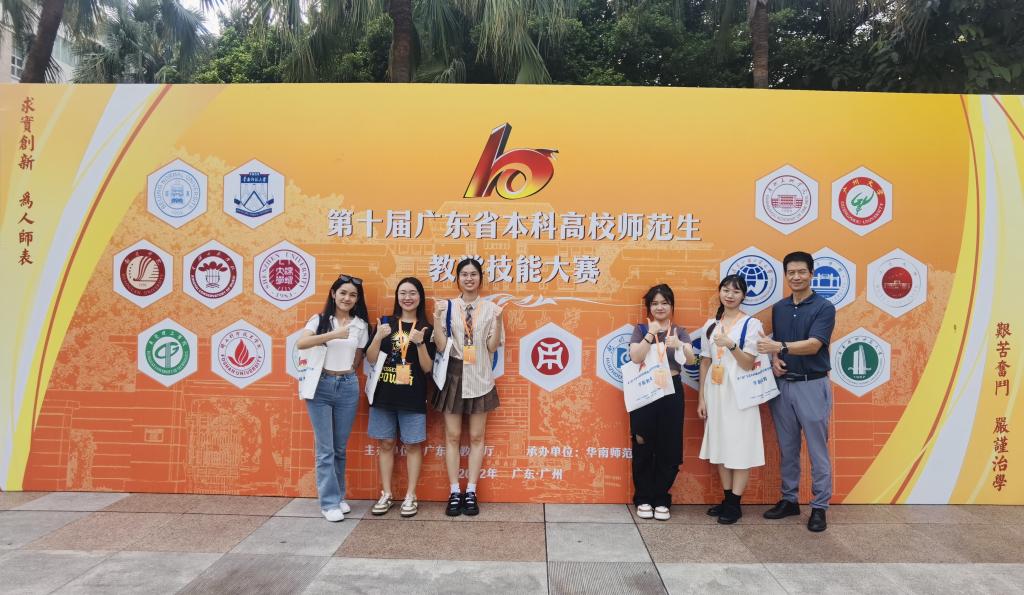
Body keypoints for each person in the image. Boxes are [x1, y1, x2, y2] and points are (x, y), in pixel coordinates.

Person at [756, 251, 837, 532]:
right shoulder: (779, 308)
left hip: (812, 384)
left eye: (802, 272)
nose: (796, 277)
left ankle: (820, 506)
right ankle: (789, 500)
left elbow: (814, 345)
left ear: (811, 273)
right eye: (791, 272)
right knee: (787, 448)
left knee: (817, 450)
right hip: (783, 386)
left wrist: (779, 347)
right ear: (785, 275)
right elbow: (776, 345)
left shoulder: (824, 307)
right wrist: (774, 359)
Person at [431, 258, 505, 516]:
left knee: (476, 436)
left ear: (480, 279)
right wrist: (436, 318)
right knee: (452, 436)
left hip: (480, 377)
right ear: (458, 279)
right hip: (453, 376)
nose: (469, 278)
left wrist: (498, 321)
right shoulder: (447, 307)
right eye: (464, 274)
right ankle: (454, 491)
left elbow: (492, 346)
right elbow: (441, 345)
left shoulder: (491, 309)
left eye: (474, 274)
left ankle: (471, 491)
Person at [295, 274, 370, 522]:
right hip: (321, 385)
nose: (347, 298)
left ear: (357, 299)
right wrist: (333, 335)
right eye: (343, 293)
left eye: (353, 295)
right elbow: (302, 343)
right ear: (333, 294)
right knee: (325, 450)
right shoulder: (319, 320)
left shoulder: (360, 325)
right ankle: (328, 504)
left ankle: (338, 497)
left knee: (339, 448)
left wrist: (347, 373)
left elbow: (358, 357)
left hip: (348, 385)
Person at [697, 275, 765, 525]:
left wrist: (731, 344)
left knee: (740, 447)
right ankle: (727, 499)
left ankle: (735, 503)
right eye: (725, 290)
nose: (730, 295)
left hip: (740, 394)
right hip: (715, 392)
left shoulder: (752, 324)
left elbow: (748, 363)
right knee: (720, 445)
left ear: (743, 295)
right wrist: (701, 398)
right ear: (719, 292)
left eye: (736, 291)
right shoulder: (710, 325)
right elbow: (705, 362)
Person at [365, 277, 435, 518]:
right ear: (397, 296)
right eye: (403, 292)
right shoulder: (385, 323)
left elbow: (427, 368)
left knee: (413, 444)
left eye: (412, 293)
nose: (407, 297)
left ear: (420, 297)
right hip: (383, 395)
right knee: (385, 443)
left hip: (413, 397)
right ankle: (386, 493)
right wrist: (377, 337)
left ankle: (410, 495)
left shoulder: (426, 328)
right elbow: (371, 359)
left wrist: (421, 344)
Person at [627, 284, 695, 521]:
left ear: (672, 306)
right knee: (642, 442)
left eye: (664, 303)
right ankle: (643, 497)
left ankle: (661, 497)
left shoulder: (679, 332)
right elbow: (635, 356)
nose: (659, 307)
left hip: (671, 389)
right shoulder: (640, 329)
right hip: (644, 390)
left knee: (669, 445)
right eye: (655, 303)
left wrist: (681, 346)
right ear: (649, 307)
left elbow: (691, 360)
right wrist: (650, 334)